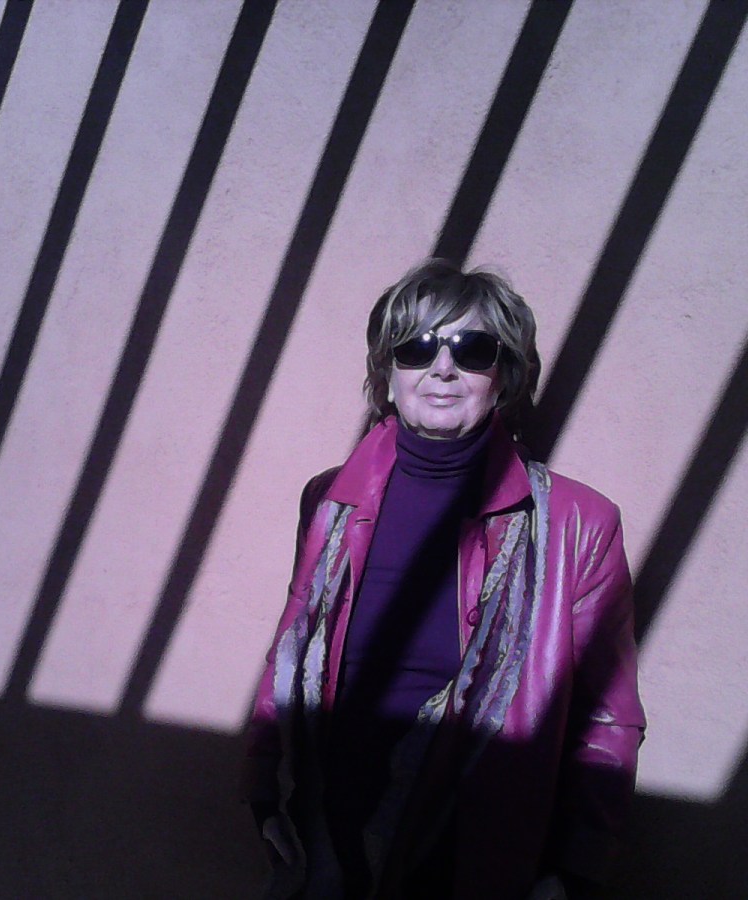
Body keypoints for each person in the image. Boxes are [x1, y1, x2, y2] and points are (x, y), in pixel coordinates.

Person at [243, 259, 644, 899]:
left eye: (473, 348)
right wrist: (265, 788)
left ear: (505, 374)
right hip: (328, 823)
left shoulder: (579, 523)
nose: (442, 367)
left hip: (470, 843)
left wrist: (575, 868)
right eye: (417, 346)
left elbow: (607, 715)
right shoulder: (329, 500)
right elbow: (294, 643)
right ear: (388, 369)